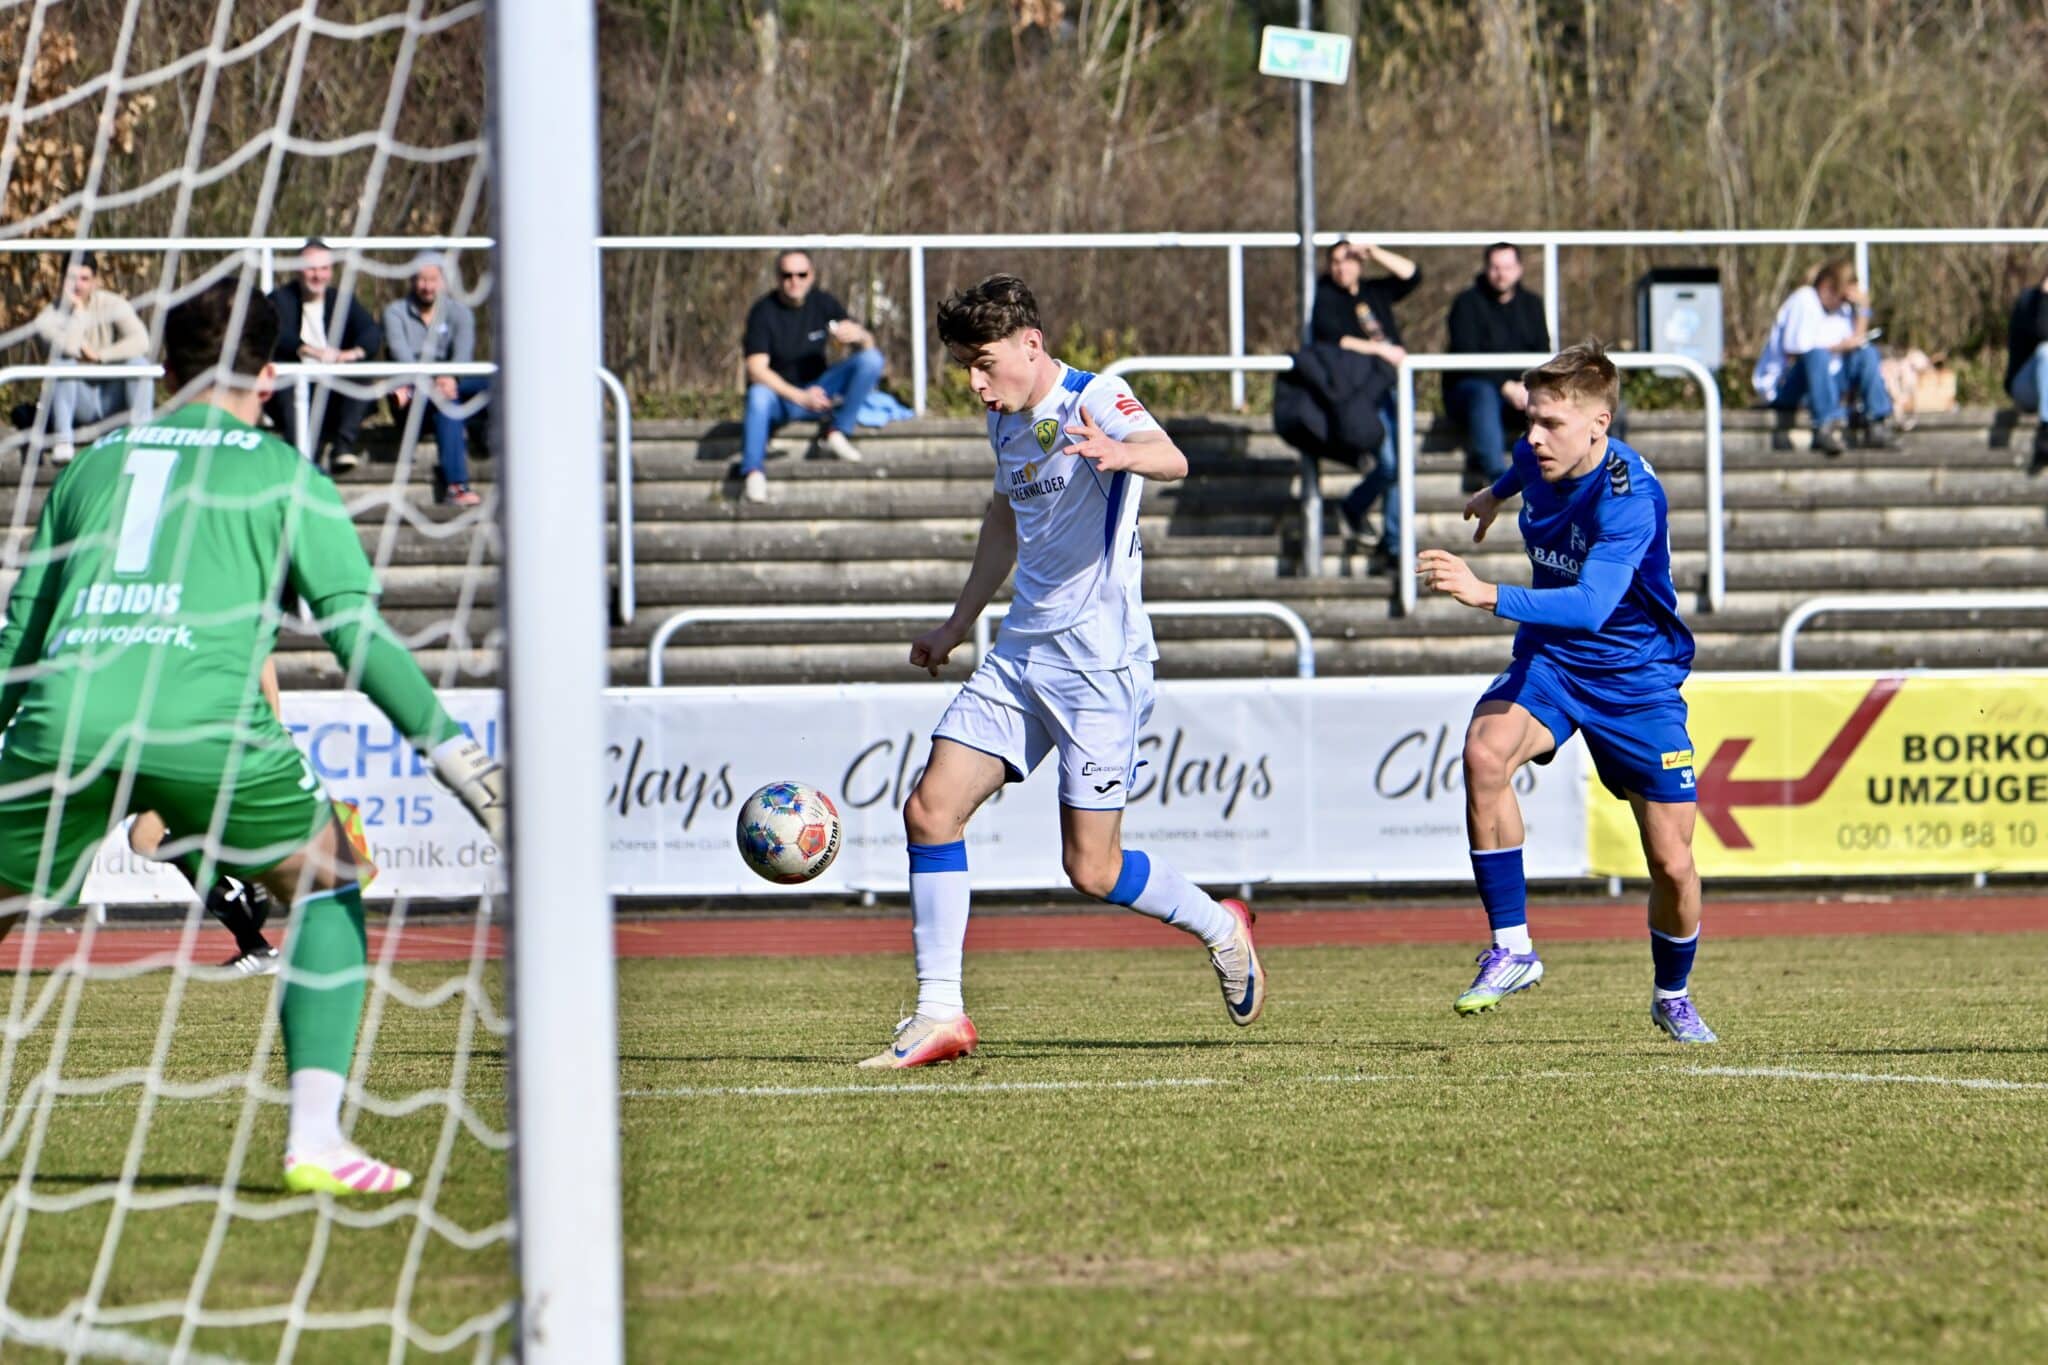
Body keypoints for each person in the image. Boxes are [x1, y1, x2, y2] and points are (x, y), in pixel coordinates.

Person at [0, 278, 507, 1193]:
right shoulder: (287, 474)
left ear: (166, 368)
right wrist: (457, 757)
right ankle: (316, 1138)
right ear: (268, 375)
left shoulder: (89, 465)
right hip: (205, 724)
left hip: (65, 717)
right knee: (326, 880)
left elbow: (17, 642)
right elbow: (357, 639)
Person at [862, 274, 1265, 1068]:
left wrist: (1123, 453)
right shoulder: (1006, 424)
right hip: (1020, 654)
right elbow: (1003, 521)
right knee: (929, 810)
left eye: (984, 363)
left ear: (1030, 344)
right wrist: (957, 622)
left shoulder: (1094, 397)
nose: (976, 384)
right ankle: (941, 1011)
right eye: (965, 369)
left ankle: (1221, 925)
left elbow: (1173, 457)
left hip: (1097, 665)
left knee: (1092, 866)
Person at [1417, 341, 1715, 1044]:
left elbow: (1589, 605)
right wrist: (1494, 494)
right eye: (1531, 419)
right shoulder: (1540, 455)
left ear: (1598, 426)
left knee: (1673, 863)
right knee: (1485, 755)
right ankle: (1513, 946)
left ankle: (1672, 994)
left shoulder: (1630, 497)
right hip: (1554, 662)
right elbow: (1521, 466)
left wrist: (1482, 591)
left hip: (1634, 678)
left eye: (1550, 423)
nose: (1533, 436)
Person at [737, 250, 884, 502]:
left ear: (811, 275)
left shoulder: (823, 302)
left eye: (801, 274)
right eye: (787, 275)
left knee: (872, 359)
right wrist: (800, 396)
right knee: (758, 394)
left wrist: (860, 336)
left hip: (820, 390)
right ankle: (753, 472)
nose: (794, 281)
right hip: (782, 397)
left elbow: (867, 344)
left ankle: (838, 430)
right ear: (777, 277)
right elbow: (756, 368)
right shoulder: (763, 312)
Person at [1310, 239, 1420, 571]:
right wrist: (1382, 351)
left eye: (1348, 260)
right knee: (1389, 464)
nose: (1342, 267)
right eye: (1336, 262)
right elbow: (1331, 337)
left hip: (1394, 382)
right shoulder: (1326, 296)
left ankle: (1395, 543)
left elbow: (1412, 275)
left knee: (1402, 465)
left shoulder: (1374, 291)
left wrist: (1373, 251)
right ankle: (1355, 506)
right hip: (1363, 388)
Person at [1752, 258, 1897, 455]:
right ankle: (1826, 425)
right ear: (1827, 286)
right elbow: (1796, 351)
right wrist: (1838, 347)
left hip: (1827, 385)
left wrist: (1863, 310)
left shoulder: (1841, 310)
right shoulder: (1804, 300)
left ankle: (1877, 422)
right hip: (1784, 385)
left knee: (1867, 353)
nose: (1843, 302)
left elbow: (1856, 342)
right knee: (1817, 354)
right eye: (1841, 295)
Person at [264, 238, 382, 473]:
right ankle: (301, 459)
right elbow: (274, 332)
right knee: (288, 385)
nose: (318, 275)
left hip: (332, 393)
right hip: (293, 392)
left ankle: (343, 447)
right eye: (311, 268)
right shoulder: (280, 299)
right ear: (299, 269)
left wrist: (351, 354)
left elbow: (371, 332)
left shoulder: (341, 301)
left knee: (361, 375)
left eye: (324, 268)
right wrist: (307, 349)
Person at [1444, 243, 1553, 489]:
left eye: (1507, 267)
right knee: (1483, 393)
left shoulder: (1532, 305)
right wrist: (1505, 385)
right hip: (1470, 392)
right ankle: (1498, 478)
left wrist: (1527, 387)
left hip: (1522, 390)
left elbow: (1542, 353)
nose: (1501, 273)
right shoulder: (1466, 303)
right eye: (1495, 267)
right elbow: (1465, 355)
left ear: (1519, 269)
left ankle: (1556, 473)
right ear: (1485, 269)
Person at [384, 257, 488, 507]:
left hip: (447, 387)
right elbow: (403, 358)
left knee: (495, 381)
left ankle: (483, 436)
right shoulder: (395, 313)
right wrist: (431, 384)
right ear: (412, 281)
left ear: (444, 281)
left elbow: (463, 357)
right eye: (421, 279)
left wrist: (449, 379)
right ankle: (457, 486)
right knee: (446, 400)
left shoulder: (460, 313)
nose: (427, 287)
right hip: (413, 401)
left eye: (433, 280)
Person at [32, 253, 153, 464]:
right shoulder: (47, 318)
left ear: (96, 281)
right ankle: (63, 442)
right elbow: (69, 348)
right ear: (61, 280)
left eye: (84, 279)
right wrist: (78, 313)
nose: (77, 285)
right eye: (71, 279)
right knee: (62, 363)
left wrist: (101, 356)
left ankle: (141, 438)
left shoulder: (113, 304)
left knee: (139, 364)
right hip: (77, 403)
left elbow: (142, 341)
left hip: (112, 398)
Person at [2004, 263, 2048, 467]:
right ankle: (2046, 430)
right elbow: (2041, 333)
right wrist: (2045, 298)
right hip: (2025, 388)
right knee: (2047, 352)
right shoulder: (2029, 301)